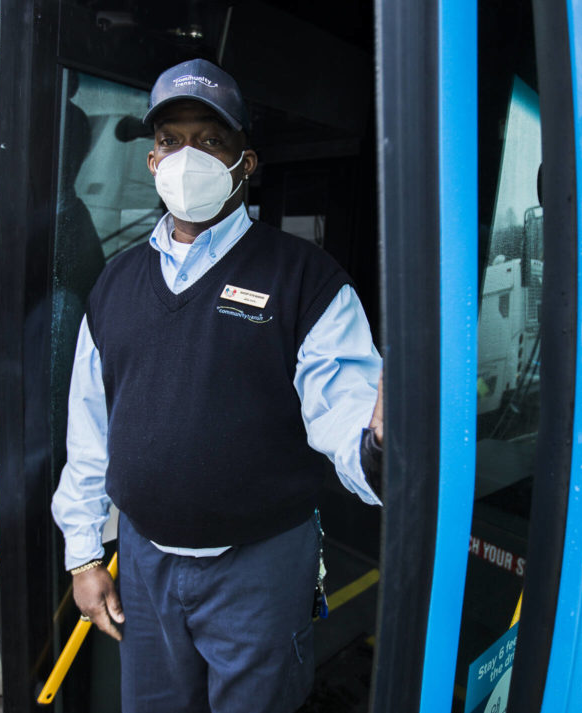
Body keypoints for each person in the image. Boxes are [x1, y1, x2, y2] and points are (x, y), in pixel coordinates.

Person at [51, 58, 383, 713]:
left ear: (246, 162)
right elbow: (90, 428)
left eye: (210, 140)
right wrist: (85, 553)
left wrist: (379, 441)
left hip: (259, 568)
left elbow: (347, 418)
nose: (186, 156)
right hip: (144, 562)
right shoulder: (115, 284)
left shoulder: (306, 281)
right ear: (151, 161)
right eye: (171, 140)